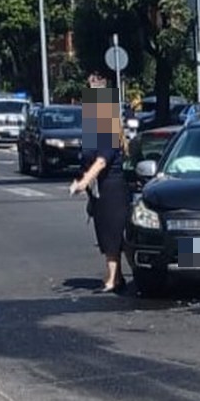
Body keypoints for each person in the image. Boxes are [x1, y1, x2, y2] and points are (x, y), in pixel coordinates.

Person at [69, 87, 129, 293]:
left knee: (111, 233)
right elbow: (88, 160)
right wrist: (80, 178)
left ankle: (112, 278)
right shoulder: (95, 133)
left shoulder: (109, 131)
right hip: (100, 190)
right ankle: (117, 276)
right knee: (103, 232)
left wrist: (84, 182)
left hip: (112, 188)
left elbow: (102, 162)